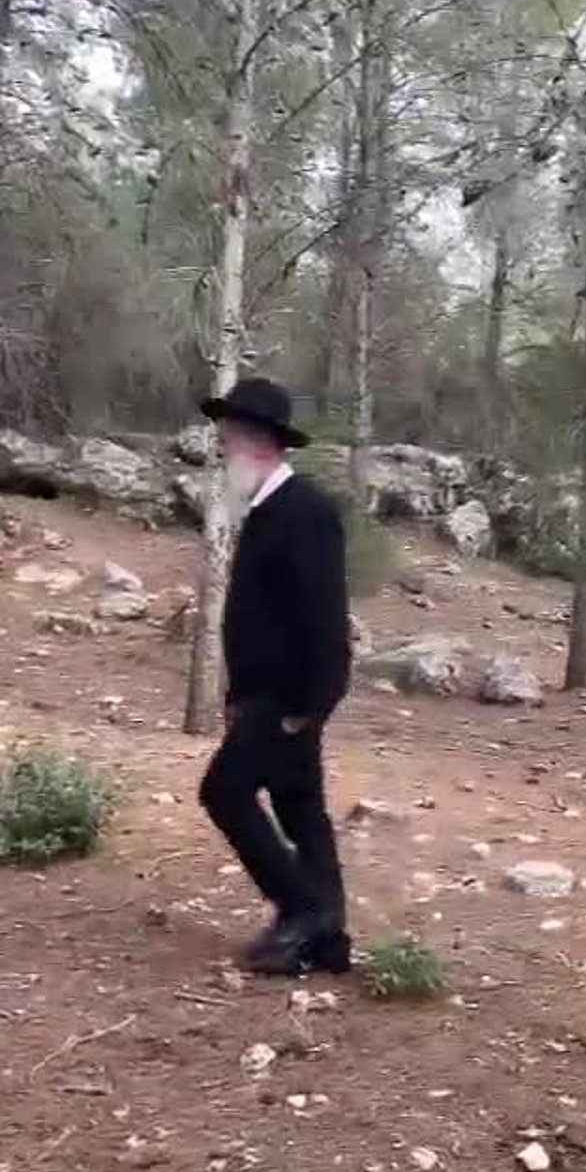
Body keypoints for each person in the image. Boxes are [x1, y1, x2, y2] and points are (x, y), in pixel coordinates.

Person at [197, 376, 352, 977]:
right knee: (300, 808)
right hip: (266, 696)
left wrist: (308, 705)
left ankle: (301, 909)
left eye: (227, 436)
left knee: (223, 791)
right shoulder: (265, 510)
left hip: (287, 697)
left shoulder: (305, 512)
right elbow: (259, 615)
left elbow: (325, 618)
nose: (221, 446)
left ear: (257, 440)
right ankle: (328, 940)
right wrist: (237, 694)